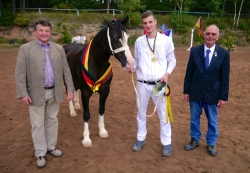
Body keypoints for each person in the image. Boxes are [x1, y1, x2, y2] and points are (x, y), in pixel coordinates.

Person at [15, 18, 75, 168]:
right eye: (41, 30)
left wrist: (70, 89)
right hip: (34, 94)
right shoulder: (25, 49)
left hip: (54, 92)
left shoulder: (59, 49)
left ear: (50, 32)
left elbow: (66, 72)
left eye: (47, 31)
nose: (44, 33)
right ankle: (40, 153)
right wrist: (23, 93)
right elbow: (19, 74)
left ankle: (51, 147)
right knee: (37, 125)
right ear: (35, 32)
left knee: (52, 120)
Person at [132, 10, 176, 156]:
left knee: (163, 114)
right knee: (141, 113)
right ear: (142, 24)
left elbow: (172, 60)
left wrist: (167, 74)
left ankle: (167, 143)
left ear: (155, 22)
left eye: (150, 22)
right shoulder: (139, 41)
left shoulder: (166, 40)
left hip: (159, 83)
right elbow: (136, 61)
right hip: (142, 83)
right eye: (145, 23)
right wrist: (129, 66)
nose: (148, 25)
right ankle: (140, 138)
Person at [183, 24, 230, 156]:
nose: (210, 36)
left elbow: (225, 77)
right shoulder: (195, 51)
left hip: (213, 93)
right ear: (204, 35)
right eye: (208, 33)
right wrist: (186, 91)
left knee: (212, 120)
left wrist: (223, 97)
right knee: (194, 118)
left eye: (213, 34)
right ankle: (194, 139)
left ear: (217, 37)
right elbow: (189, 73)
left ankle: (211, 142)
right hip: (195, 91)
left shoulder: (224, 54)